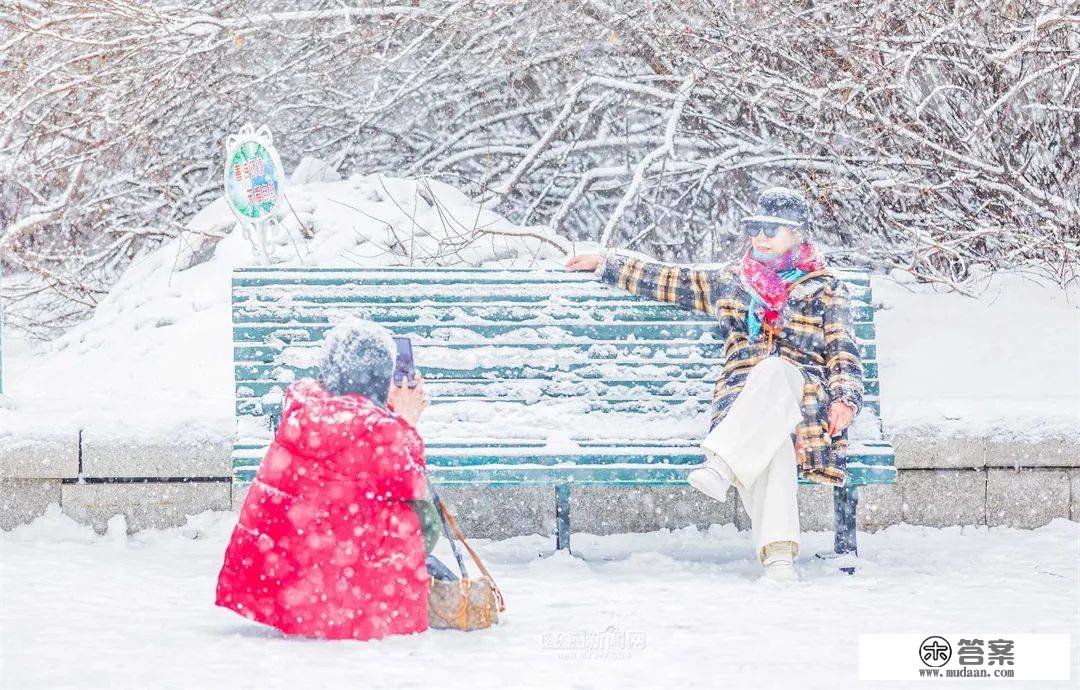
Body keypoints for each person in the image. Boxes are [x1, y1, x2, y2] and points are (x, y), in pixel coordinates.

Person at [565, 187, 863, 582]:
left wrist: (845, 397)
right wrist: (607, 262)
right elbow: (669, 278)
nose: (760, 236)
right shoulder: (733, 281)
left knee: (776, 370)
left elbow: (842, 347)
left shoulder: (824, 287)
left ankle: (721, 463)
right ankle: (779, 560)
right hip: (744, 402)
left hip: (803, 396)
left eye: (771, 229)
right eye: (754, 227)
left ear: (798, 234)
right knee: (771, 443)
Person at [215, 317, 440, 640]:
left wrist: (381, 411)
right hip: (340, 598)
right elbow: (414, 483)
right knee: (420, 516)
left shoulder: (305, 409)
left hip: (288, 589)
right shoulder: (376, 431)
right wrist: (406, 421)